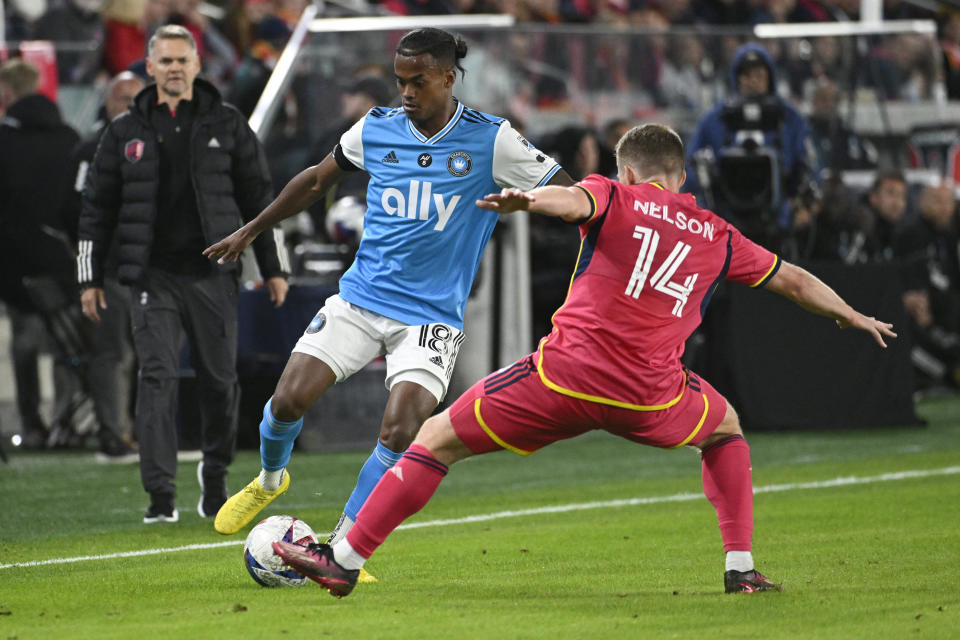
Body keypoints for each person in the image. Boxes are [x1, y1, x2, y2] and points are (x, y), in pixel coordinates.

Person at [271, 123, 897, 597]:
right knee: (727, 427)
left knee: (434, 441)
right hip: (653, 399)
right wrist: (851, 314)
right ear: (680, 176)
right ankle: (741, 570)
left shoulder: (613, 197)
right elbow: (792, 280)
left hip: (560, 382)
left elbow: (575, 203)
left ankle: (344, 561)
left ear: (628, 172)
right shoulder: (717, 233)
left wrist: (530, 202)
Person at [204, 28, 571, 581]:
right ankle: (270, 480)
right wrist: (253, 229)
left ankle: (342, 545)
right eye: (400, 81)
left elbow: (570, 192)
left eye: (417, 81)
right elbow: (314, 181)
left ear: (449, 77)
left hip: (430, 317)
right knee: (287, 402)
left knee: (401, 432)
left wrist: (535, 201)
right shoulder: (376, 129)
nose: (405, 92)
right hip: (361, 298)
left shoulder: (492, 140)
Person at [77, 25, 291, 523]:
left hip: (214, 274)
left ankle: (214, 479)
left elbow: (262, 201)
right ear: (148, 68)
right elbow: (96, 209)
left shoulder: (229, 124)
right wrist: (87, 279)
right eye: (165, 60)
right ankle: (160, 497)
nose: (174, 67)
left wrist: (274, 269)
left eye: (182, 59)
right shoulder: (124, 131)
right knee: (157, 378)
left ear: (198, 65)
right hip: (151, 277)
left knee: (220, 381)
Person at [0, 58, 82, 450]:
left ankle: (32, 423)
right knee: (67, 344)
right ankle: (65, 423)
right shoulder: (68, 137)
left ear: (7, 92)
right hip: (62, 259)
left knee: (25, 342)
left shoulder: (4, 139)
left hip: (16, 264)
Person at [71, 71, 146, 461]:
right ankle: (114, 434)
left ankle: (139, 433)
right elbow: (76, 211)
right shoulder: (90, 149)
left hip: (148, 269)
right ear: (107, 102)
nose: (129, 108)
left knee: (150, 355)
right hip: (112, 268)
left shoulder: (156, 145)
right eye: (122, 99)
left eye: (136, 100)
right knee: (113, 353)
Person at [685, 43, 820, 249]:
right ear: (736, 78)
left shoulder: (789, 119)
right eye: (746, 75)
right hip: (724, 218)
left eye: (759, 74)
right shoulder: (715, 119)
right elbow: (691, 166)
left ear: (770, 77)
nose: (753, 81)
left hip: (778, 216)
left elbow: (809, 163)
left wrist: (805, 207)